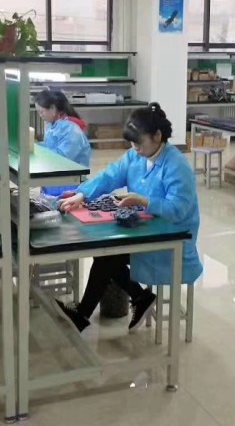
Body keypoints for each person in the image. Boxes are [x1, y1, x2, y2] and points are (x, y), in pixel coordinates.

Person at [58, 103, 202, 332]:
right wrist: (82, 194)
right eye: (132, 143)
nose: (135, 148)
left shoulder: (177, 166)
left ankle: (89, 312)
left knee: (107, 256)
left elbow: (178, 210)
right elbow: (110, 175)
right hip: (146, 232)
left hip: (172, 239)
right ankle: (134, 299)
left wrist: (144, 201)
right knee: (105, 252)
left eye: (139, 143)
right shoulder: (136, 156)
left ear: (157, 136)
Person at [35, 88, 91, 197]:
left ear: (53, 108)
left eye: (41, 112)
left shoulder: (70, 129)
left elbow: (62, 159)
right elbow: (49, 146)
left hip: (71, 182)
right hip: (57, 177)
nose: (40, 115)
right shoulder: (54, 125)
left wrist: (39, 151)